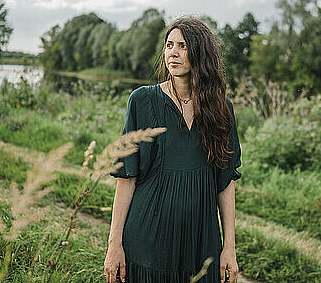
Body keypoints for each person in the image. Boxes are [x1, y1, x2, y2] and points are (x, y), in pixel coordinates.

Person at [103, 17, 242, 283]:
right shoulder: (142, 101)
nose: (173, 53)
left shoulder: (221, 109)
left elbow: (225, 184)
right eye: (169, 45)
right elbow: (126, 177)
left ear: (200, 54)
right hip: (148, 239)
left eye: (182, 46)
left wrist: (229, 248)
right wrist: (114, 245)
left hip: (202, 243)